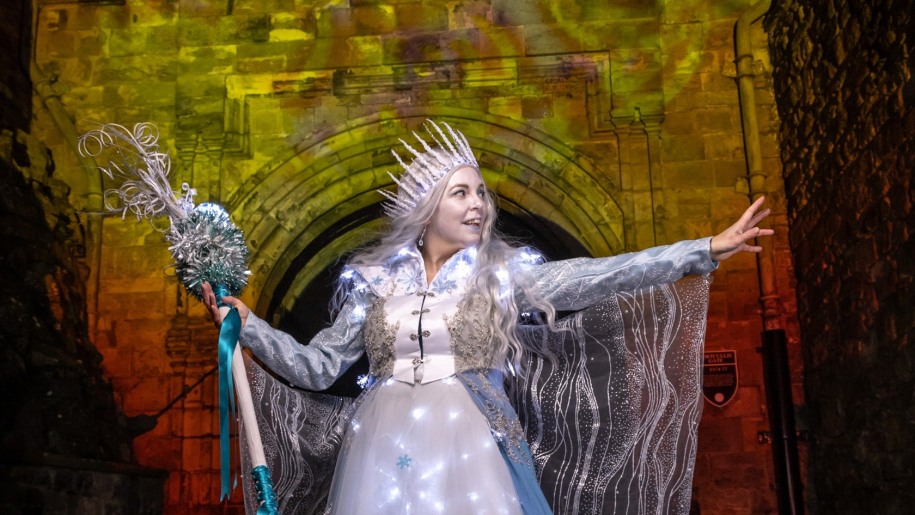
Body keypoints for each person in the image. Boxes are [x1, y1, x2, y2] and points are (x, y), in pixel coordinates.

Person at [202, 120, 772, 514]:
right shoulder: (375, 285)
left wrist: (701, 250)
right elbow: (318, 366)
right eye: (460, 194)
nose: (478, 204)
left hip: (473, 446)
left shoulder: (500, 275)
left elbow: (601, 274)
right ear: (427, 211)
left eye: (481, 193)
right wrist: (247, 324)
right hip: (380, 446)